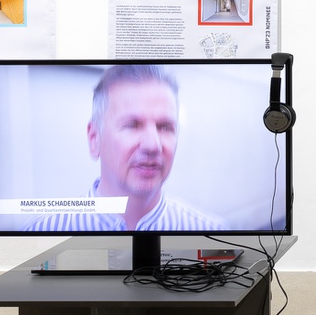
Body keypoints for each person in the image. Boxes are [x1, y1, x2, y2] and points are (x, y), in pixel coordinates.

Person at [25, 65, 222, 232]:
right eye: (132, 125)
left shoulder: (211, 233)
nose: (152, 145)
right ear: (94, 139)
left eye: (164, 127)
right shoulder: (42, 234)